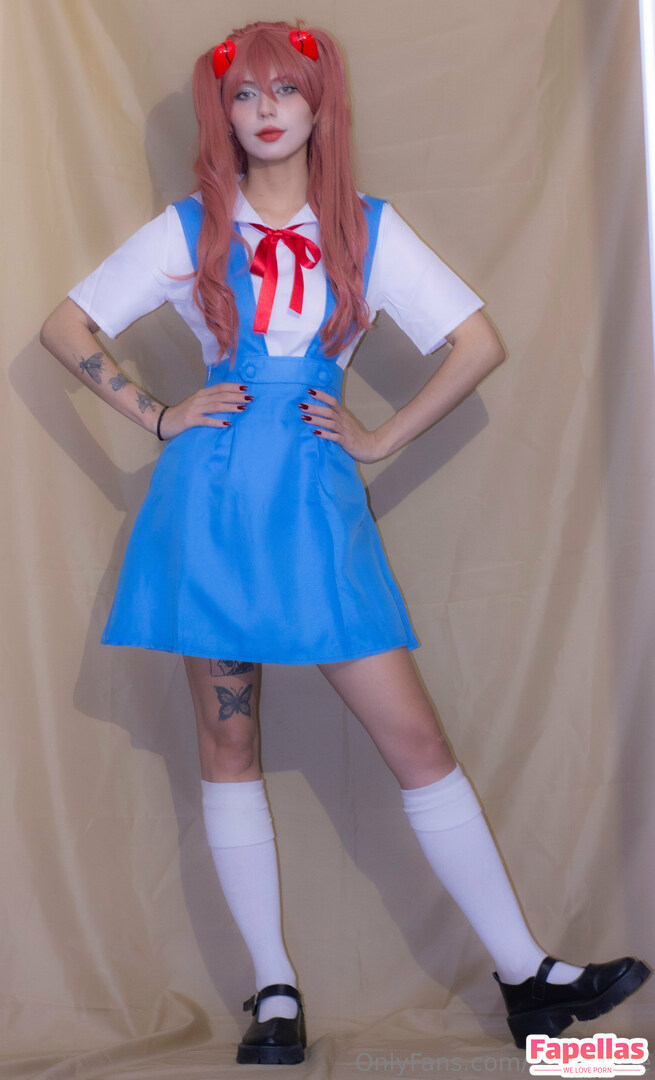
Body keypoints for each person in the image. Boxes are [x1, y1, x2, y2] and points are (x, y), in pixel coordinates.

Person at [40, 19, 650, 1066]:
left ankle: (526, 976)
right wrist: (157, 414)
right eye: (244, 95)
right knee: (229, 746)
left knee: (416, 744)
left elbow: (476, 343)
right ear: (224, 114)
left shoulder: (366, 230)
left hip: (315, 503)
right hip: (213, 503)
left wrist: (377, 437)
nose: (265, 110)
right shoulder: (193, 227)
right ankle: (275, 992)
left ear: (320, 105)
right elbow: (65, 327)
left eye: (285, 90)